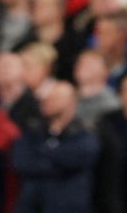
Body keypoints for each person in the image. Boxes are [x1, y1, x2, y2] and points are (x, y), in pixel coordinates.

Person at [12, 80, 101, 213]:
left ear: (72, 103)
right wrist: (57, 161)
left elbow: (78, 158)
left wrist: (41, 154)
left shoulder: (85, 135)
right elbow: (21, 162)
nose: (47, 101)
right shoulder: (32, 131)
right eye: (46, 98)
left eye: (55, 98)